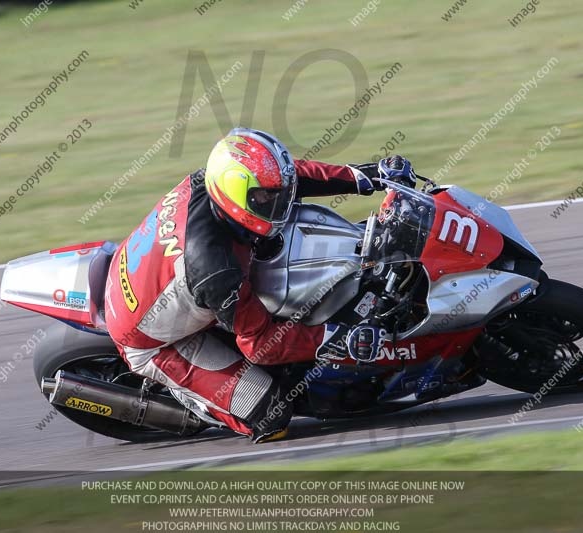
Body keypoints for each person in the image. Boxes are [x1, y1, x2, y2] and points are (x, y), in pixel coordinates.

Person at [104, 127, 415, 442]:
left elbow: (291, 176)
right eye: (266, 197)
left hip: (153, 276)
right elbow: (261, 344)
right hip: (153, 341)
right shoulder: (217, 269)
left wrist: (365, 176)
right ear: (238, 195)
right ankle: (192, 401)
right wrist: (338, 339)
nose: (278, 200)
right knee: (273, 414)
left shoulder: (215, 177)